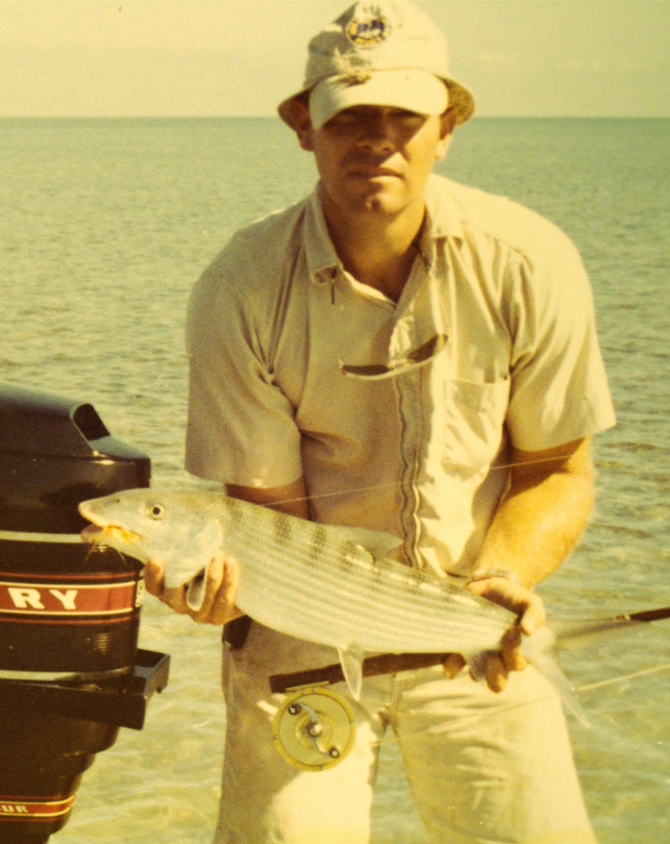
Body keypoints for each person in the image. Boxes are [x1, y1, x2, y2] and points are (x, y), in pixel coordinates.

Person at [144, 1, 617, 842]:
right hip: (302, 637)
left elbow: (558, 470)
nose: (378, 139)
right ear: (304, 126)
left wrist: (501, 580)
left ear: (448, 128)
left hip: (478, 623)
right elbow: (271, 521)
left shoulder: (531, 262)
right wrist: (220, 591)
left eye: (405, 116)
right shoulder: (239, 289)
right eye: (349, 117)